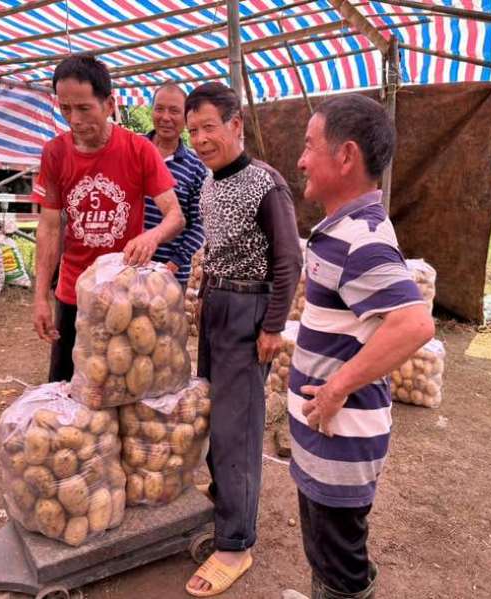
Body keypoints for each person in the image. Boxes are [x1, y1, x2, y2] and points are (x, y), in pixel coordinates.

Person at [287, 94, 435, 599]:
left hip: (341, 440)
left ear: (346, 156)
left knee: (341, 563)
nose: (302, 159)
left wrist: (336, 389)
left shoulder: (364, 238)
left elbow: (414, 324)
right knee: (324, 549)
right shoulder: (341, 230)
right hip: (326, 438)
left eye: (310, 147)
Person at [184, 82, 303, 597]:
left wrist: (273, 325)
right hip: (216, 306)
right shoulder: (210, 184)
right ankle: (223, 505)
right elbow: (214, 246)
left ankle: (236, 543)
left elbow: (288, 259)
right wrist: (200, 292)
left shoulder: (265, 184)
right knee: (215, 412)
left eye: (209, 126)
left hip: (248, 310)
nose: (201, 139)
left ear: (235, 124)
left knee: (239, 426)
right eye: (194, 131)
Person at [31, 55, 185, 381]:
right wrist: (41, 296)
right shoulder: (54, 153)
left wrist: (152, 236)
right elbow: (49, 227)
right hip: (73, 294)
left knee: (123, 387)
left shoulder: (138, 150)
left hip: (124, 295)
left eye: (84, 108)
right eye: (65, 109)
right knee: (67, 390)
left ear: (109, 103)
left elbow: (175, 217)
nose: (74, 119)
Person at [143, 82, 207, 287]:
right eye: (159, 109)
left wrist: (175, 262)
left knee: (164, 318)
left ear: (186, 117)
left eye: (174, 111)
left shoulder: (196, 167)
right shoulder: (134, 150)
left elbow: (200, 223)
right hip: (128, 265)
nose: (165, 117)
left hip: (170, 273)